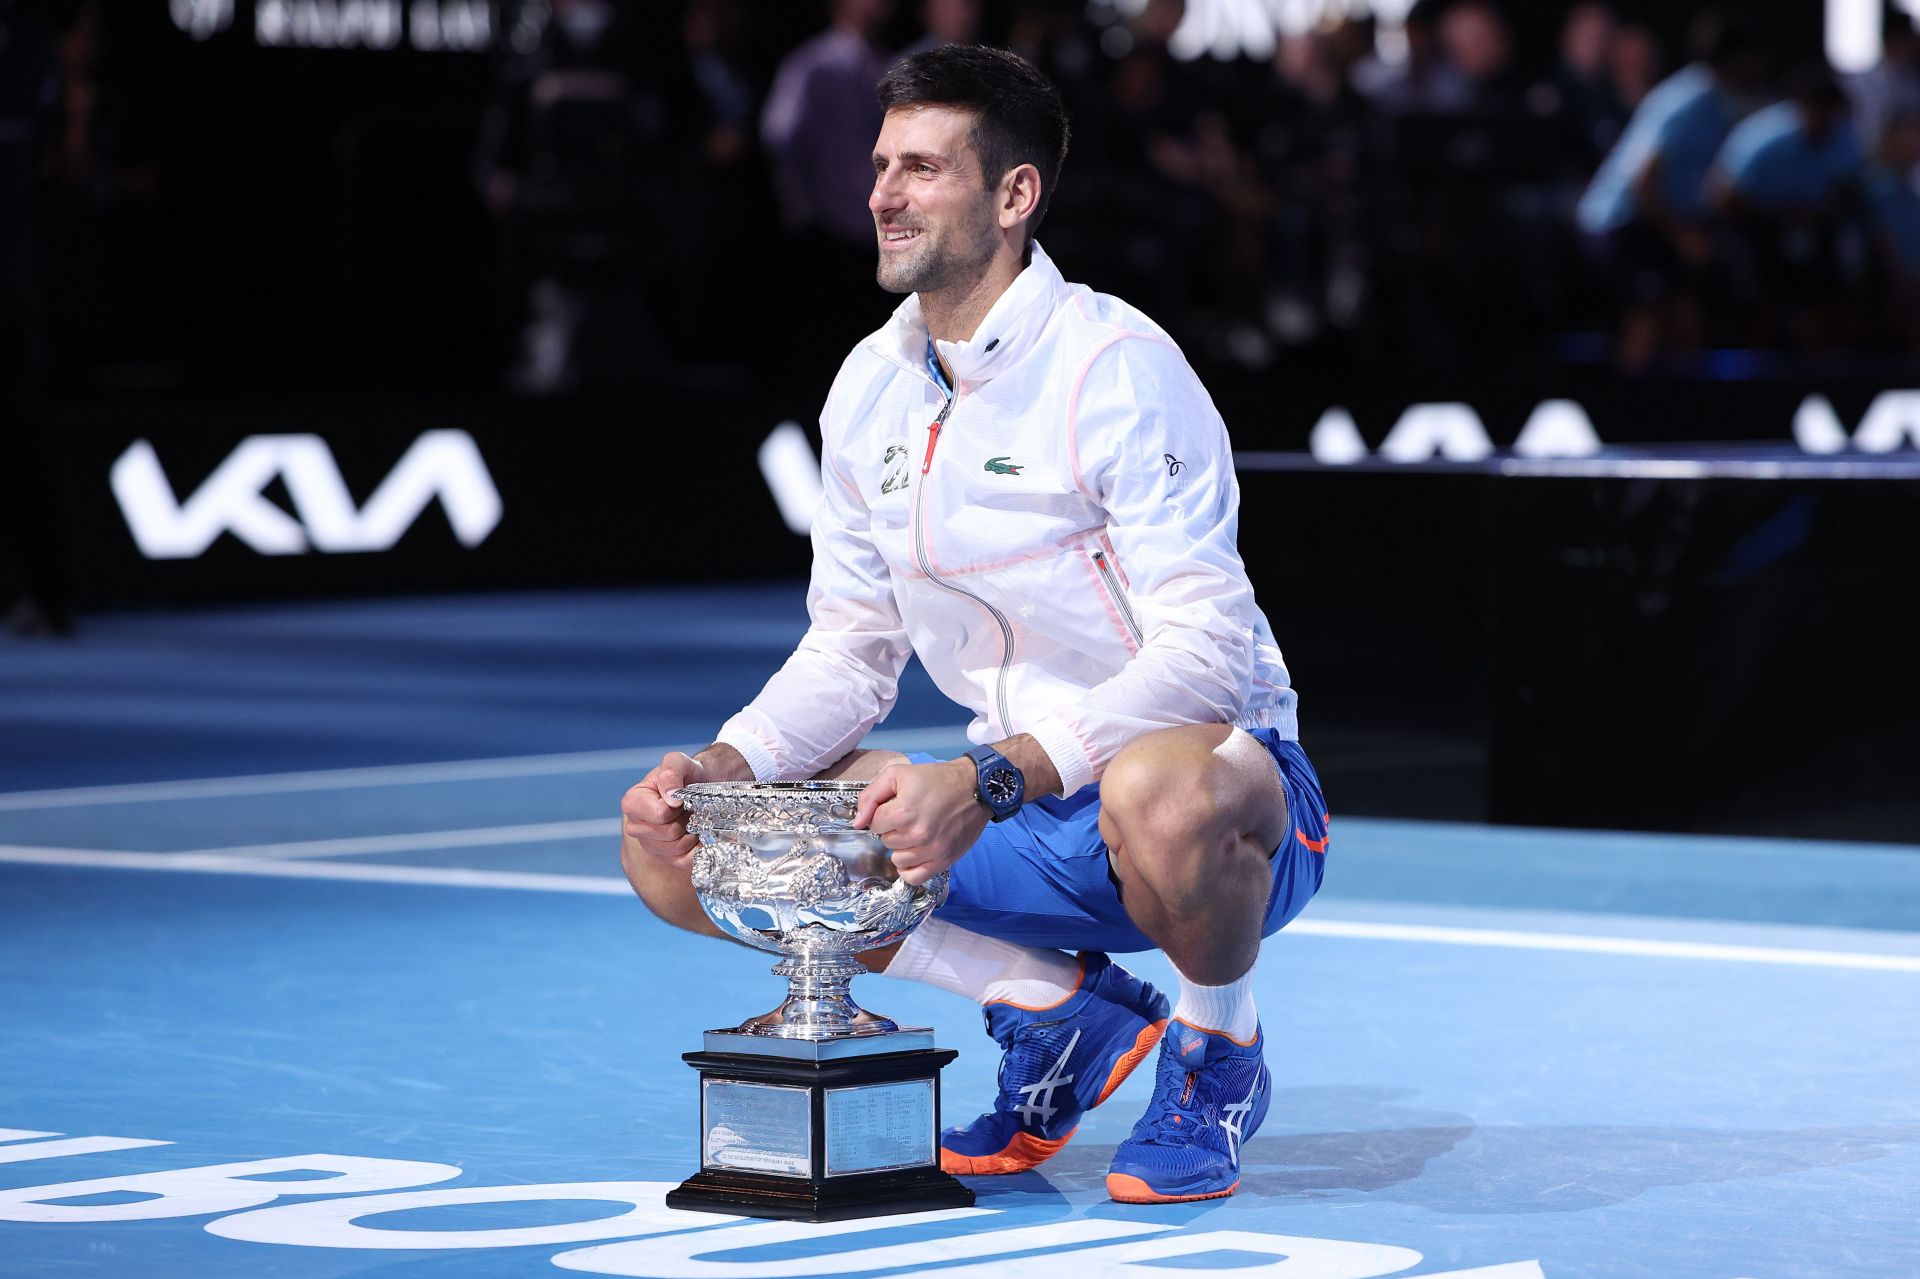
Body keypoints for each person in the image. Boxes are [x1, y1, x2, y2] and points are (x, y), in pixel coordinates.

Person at [621, 44, 1323, 1206]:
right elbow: (850, 648)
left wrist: (989, 778)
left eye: (923, 168)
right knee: (685, 846)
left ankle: (1218, 1053)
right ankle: (1053, 1008)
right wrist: (722, 764)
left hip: (1217, 792)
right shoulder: (868, 386)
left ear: (1013, 197)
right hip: (1011, 803)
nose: (883, 193)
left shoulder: (1118, 368)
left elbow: (1209, 658)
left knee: (1160, 786)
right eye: (882, 163)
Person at [1575, 18, 1764, 369]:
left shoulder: (1716, 101)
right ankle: (1626, 411)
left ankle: (1680, 410)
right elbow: (1642, 181)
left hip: (1653, 224)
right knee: (1646, 316)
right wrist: (1681, 237)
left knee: (1686, 315)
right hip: (1620, 223)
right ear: (1737, 59)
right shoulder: (1687, 100)